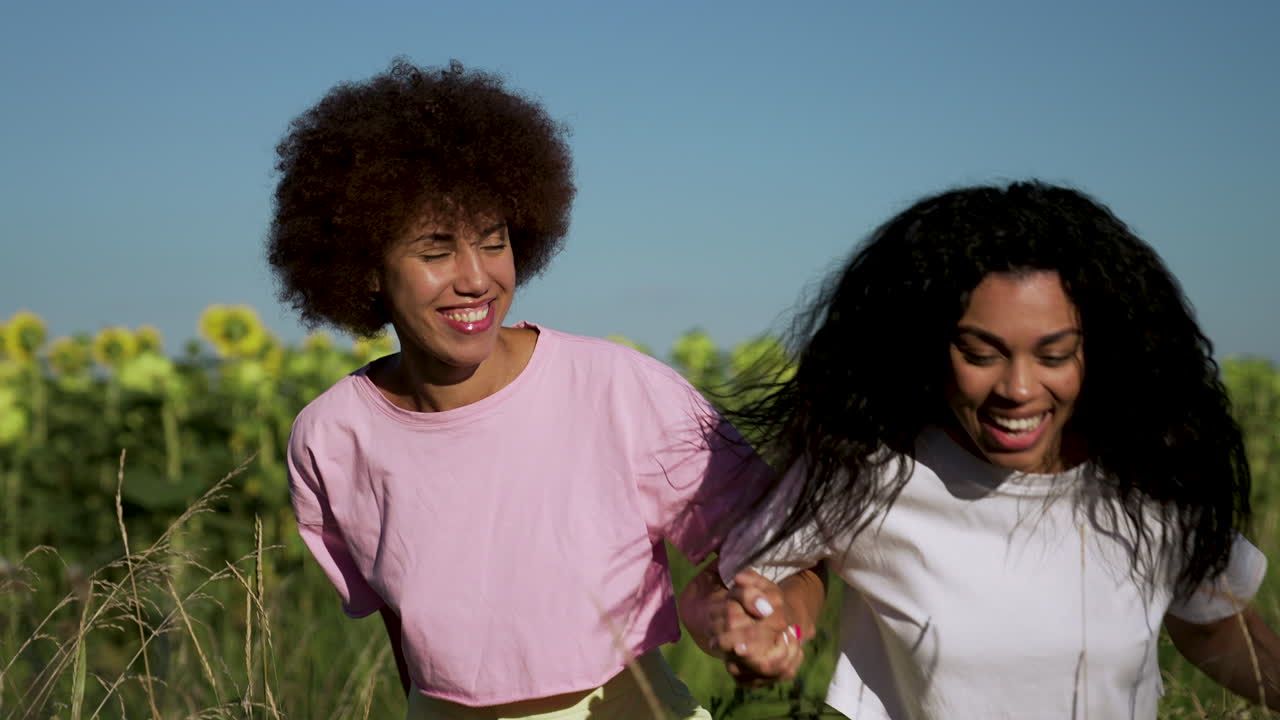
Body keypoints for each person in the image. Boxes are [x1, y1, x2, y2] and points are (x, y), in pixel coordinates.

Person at [268, 59, 766, 719]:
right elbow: (404, 634)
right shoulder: (331, 436)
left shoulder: (619, 388)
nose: (476, 278)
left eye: (493, 242)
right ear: (366, 269)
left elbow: (763, 535)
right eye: (436, 251)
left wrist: (748, 622)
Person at [679, 181, 1280, 718]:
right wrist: (752, 625)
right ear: (930, 346)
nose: (1017, 390)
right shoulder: (871, 468)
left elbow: (1211, 627)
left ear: (1099, 352)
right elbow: (740, 586)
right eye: (981, 353)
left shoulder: (1148, 475)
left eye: (1053, 355)